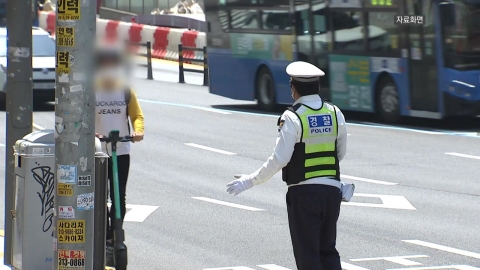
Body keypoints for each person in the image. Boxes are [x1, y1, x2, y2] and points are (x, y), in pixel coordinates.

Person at [226, 61, 348, 270]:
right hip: (332, 193)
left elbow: (280, 159)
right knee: (328, 252)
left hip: (304, 194)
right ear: (318, 87)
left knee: (308, 254)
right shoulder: (335, 113)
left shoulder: (293, 117)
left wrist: (250, 181)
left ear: (294, 88)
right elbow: (340, 153)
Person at [94, 44, 145, 265]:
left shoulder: (125, 90)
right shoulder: (91, 89)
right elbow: (82, 118)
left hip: (121, 149)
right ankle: (103, 234)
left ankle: (115, 234)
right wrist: (91, 133)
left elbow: (137, 115)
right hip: (97, 151)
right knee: (99, 196)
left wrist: (138, 130)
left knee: (118, 196)